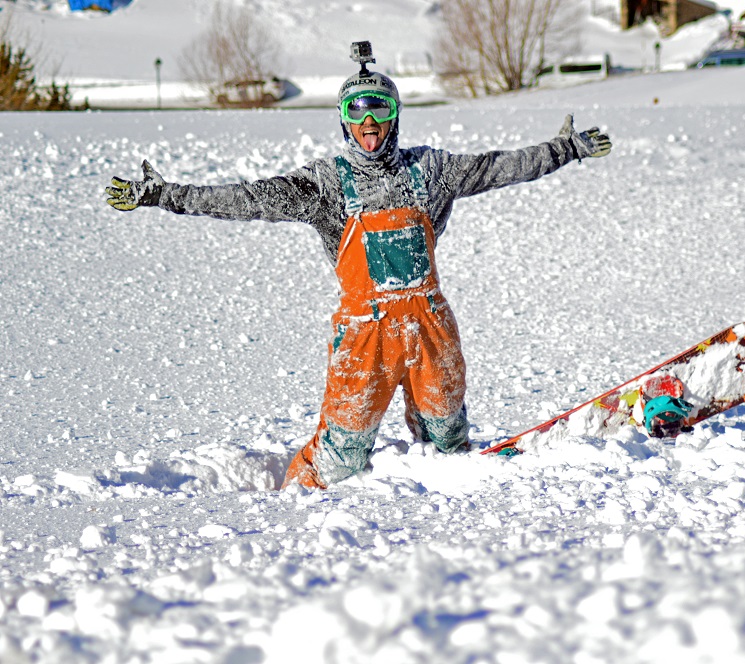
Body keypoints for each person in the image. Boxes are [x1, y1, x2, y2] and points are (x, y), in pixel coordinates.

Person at [105, 43, 612, 489]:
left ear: (395, 114)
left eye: (380, 110)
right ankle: (294, 513)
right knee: (341, 455)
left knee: (449, 442)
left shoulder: (430, 171)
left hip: (430, 327)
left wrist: (565, 148)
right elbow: (247, 199)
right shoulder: (327, 185)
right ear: (344, 118)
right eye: (357, 111)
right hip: (365, 338)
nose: (369, 124)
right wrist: (165, 195)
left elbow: (499, 167)